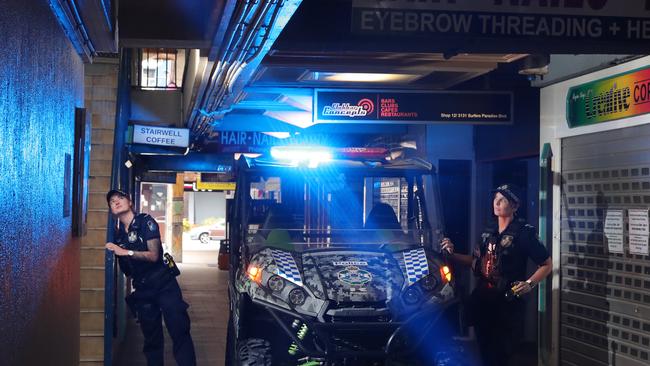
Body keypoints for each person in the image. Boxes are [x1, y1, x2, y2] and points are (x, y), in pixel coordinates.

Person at [441, 184, 552, 366]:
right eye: (495, 199)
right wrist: (451, 254)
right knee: (484, 351)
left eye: (503, 200)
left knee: (501, 355)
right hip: (484, 301)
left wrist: (529, 283)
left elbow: (546, 264)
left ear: (515, 206)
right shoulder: (488, 231)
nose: (497, 203)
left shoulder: (525, 233)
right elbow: (475, 261)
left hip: (507, 303)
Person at [105, 189, 196, 366]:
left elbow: (154, 256)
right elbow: (127, 270)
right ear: (111, 210)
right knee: (151, 339)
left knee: (179, 331)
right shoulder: (118, 236)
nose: (116, 201)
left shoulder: (146, 222)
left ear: (130, 202)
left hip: (164, 285)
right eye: (112, 201)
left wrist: (126, 252)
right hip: (143, 289)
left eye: (121, 198)